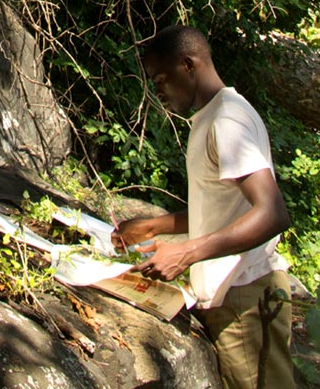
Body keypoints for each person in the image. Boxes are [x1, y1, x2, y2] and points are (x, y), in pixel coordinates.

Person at [111, 25, 293, 389]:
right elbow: (227, 210)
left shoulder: (227, 122)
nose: (157, 90)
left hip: (246, 298)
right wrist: (154, 226)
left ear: (189, 65)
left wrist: (187, 253)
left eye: (161, 78)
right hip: (236, 296)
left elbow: (273, 213)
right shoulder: (213, 115)